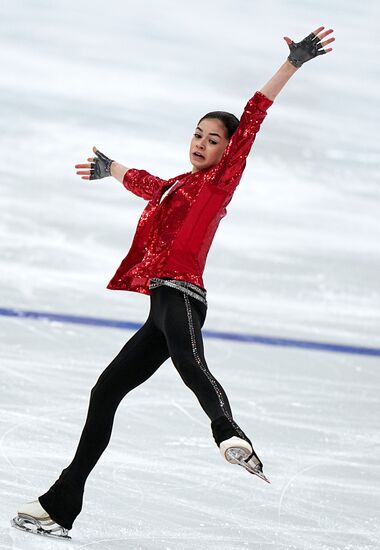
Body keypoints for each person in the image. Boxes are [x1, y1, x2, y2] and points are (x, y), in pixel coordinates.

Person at [12, 26, 335, 539]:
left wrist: (291, 65)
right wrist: (109, 167)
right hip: (159, 307)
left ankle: (228, 431)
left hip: (182, 296)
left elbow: (252, 116)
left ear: (228, 150)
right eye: (197, 135)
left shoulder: (219, 180)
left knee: (190, 363)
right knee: (106, 392)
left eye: (213, 139)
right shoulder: (177, 186)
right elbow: (148, 184)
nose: (201, 144)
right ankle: (61, 503)